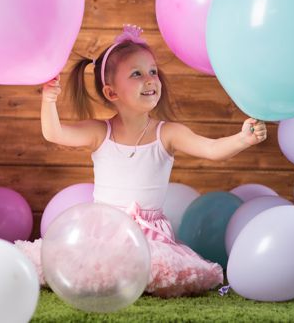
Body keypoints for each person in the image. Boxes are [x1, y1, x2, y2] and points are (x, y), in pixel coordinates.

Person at [16, 24, 267, 297]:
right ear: (112, 93)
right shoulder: (101, 132)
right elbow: (54, 133)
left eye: (153, 72)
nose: (150, 80)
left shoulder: (167, 133)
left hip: (148, 234)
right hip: (103, 230)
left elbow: (211, 149)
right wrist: (49, 100)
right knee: (80, 263)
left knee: (151, 271)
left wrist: (243, 139)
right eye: (137, 74)